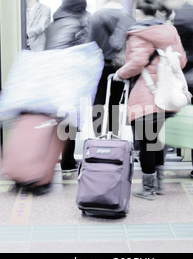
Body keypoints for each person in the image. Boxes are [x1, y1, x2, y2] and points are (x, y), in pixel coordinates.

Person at [113, 0, 187, 200]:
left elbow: (136, 62)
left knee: (145, 142)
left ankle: (148, 188)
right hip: (166, 96)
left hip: (145, 96)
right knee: (156, 140)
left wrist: (119, 74)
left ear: (138, 12)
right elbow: (182, 61)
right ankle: (159, 184)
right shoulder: (170, 31)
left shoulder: (137, 34)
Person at [162, 0, 193, 181]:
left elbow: (178, 53)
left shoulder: (182, 18)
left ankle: (158, 165)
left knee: (168, 120)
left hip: (186, 78)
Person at [45, 0, 90, 172]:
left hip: (53, 78)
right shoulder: (76, 23)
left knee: (60, 120)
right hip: (69, 79)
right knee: (69, 121)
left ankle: (57, 159)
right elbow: (82, 51)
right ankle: (68, 161)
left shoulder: (53, 23)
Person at [87, 0, 134, 136]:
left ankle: (98, 135)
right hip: (119, 66)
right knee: (115, 102)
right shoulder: (127, 18)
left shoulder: (94, 17)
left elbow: (89, 43)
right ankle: (112, 134)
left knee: (98, 100)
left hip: (99, 64)